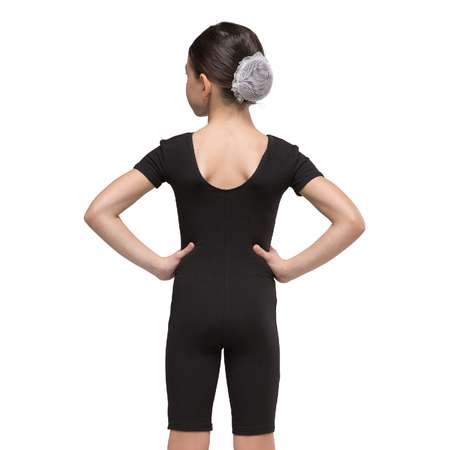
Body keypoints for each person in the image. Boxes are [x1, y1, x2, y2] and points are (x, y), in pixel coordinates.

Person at [84, 21, 365, 450]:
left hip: (192, 309)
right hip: (255, 313)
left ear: (203, 83)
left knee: (186, 432)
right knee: (257, 435)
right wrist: (288, 268)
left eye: (185, 74)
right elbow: (350, 220)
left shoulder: (174, 153)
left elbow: (100, 211)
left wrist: (158, 264)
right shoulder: (283, 156)